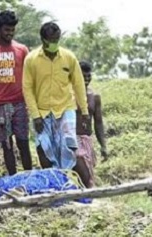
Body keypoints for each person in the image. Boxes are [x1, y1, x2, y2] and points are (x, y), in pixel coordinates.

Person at [23, 22, 89, 171]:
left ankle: (71, 181)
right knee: (44, 148)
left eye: (57, 40)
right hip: (42, 111)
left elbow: (78, 85)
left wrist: (84, 112)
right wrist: (35, 115)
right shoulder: (31, 59)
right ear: (43, 40)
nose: (54, 44)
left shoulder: (69, 57)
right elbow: (27, 89)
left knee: (69, 144)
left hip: (65, 108)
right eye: (51, 40)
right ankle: (55, 182)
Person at [0, 10, 32, 176]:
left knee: (23, 143)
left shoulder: (22, 50)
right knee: (7, 145)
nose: (9, 33)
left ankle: (29, 177)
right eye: (6, 30)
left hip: (19, 103)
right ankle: (13, 178)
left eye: (12, 30)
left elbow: (29, 77)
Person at [74, 60, 107, 188]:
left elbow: (98, 123)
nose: (87, 79)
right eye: (83, 76)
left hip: (87, 139)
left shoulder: (95, 97)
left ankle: (86, 199)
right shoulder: (69, 95)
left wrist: (103, 146)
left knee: (87, 175)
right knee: (82, 171)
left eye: (89, 76)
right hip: (73, 140)